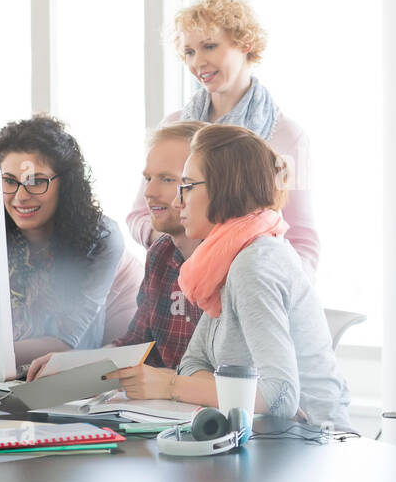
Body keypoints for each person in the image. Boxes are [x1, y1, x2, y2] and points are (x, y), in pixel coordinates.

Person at [117, 123, 351, 430]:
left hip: (315, 446)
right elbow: (192, 364)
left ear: (222, 189)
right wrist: (193, 384)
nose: (177, 201)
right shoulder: (225, 259)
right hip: (270, 441)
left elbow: (280, 396)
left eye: (187, 186)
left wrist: (170, 385)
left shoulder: (255, 263)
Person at [126, 0, 320, 276]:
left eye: (210, 46)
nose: (197, 63)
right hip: (177, 288)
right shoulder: (172, 128)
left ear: (245, 44)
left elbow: (303, 242)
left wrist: (278, 285)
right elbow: (139, 215)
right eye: (189, 52)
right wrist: (175, 245)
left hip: (249, 288)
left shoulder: (287, 138)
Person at [25, 121, 207, 385]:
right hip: (157, 412)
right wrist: (72, 364)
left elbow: (234, 379)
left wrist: (167, 384)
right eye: (147, 178)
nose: (149, 193)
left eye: (167, 179)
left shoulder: (236, 265)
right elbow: (135, 344)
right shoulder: (160, 254)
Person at [0, 114, 124, 376]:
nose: (21, 197)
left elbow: (65, 339)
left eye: (36, 181)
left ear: (66, 183)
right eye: (9, 181)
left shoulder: (101, 239)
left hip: (67, 384)